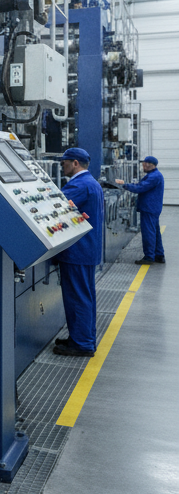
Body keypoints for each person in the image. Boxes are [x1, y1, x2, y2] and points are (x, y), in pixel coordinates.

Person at [53, 147, 104, 358]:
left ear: (75, 163)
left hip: (78, 251)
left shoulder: (80, 185)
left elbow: (55, 206)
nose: (62, 166)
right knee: (85, 297)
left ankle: (82, 343)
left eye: (64, 162)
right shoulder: (92, 182)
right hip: (86, 250)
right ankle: (82, 337)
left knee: (77, 297)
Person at [115, 156, 165, 265]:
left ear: (148, 164)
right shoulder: (153, 175)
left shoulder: (154, 176)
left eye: (143, 164)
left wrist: (124, 185)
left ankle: (149, 257)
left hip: (149, 208)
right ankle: (159, 255)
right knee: (155, 232)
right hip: (152, 208)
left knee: (148, 233)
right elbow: (140, 185)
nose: (142, 166)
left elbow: (140, 188)